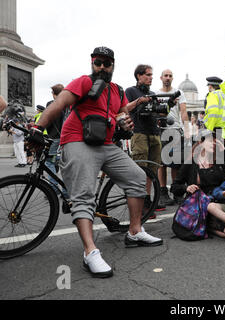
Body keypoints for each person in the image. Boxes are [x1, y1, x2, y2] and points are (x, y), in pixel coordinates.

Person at [27, 46, 163, 279]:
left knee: (138, 178)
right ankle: (90, 252)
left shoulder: (117, 90)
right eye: (97, 62)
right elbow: (58, 104)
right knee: (83, 196)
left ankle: (134, 231)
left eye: (106, 63)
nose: (101, 67)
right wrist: (38, 128)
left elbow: (121, 115)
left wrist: (125, 124)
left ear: (112, 66)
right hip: (77, 140)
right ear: (92, 63)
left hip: (106, 144)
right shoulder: (83, 82)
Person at [170, 131, 225, 236]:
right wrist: (186, 188)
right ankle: (210, 228)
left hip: (218, 204)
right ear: (200, 142)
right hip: (198, 207)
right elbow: (174, 187)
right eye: (210, 140)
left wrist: (223, 151)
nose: (213, 143)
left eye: (215, 141)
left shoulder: (220, 161)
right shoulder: (191, 163)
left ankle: (210, 228)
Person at [125, 64, 165, 212]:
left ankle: (147, 201)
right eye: (147, 75)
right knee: (140, 170)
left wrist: (165, 108)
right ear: (139, 76)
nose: (150, 78)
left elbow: (158, 114)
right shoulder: (130, 91)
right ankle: (139, 203)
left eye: (151, 75)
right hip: (139, 133)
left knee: (152, 171)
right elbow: (125, 108)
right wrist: (139, 101)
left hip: (154, 133)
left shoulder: (153, 93)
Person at [156, 69, 189, 206]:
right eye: (165, 76)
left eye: (170, 76)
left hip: (175, 129)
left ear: (172, 78)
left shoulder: (179, 93)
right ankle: (163, 192)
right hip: (161, 130)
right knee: (161, 163)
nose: (168, 78)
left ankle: (176, 191)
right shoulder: (156, 94)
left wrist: (186, 129)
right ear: (161, 77)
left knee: (176, 163)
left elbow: (183, 111)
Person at [45, 84, 69, 197]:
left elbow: (47, 120)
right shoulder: (67, 104)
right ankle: (66, 192)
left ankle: (53, 189)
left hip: (54, 137)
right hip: (66, 138)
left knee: (49, 162)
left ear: (54, 94)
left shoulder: (52, 104)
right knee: (64, 163)